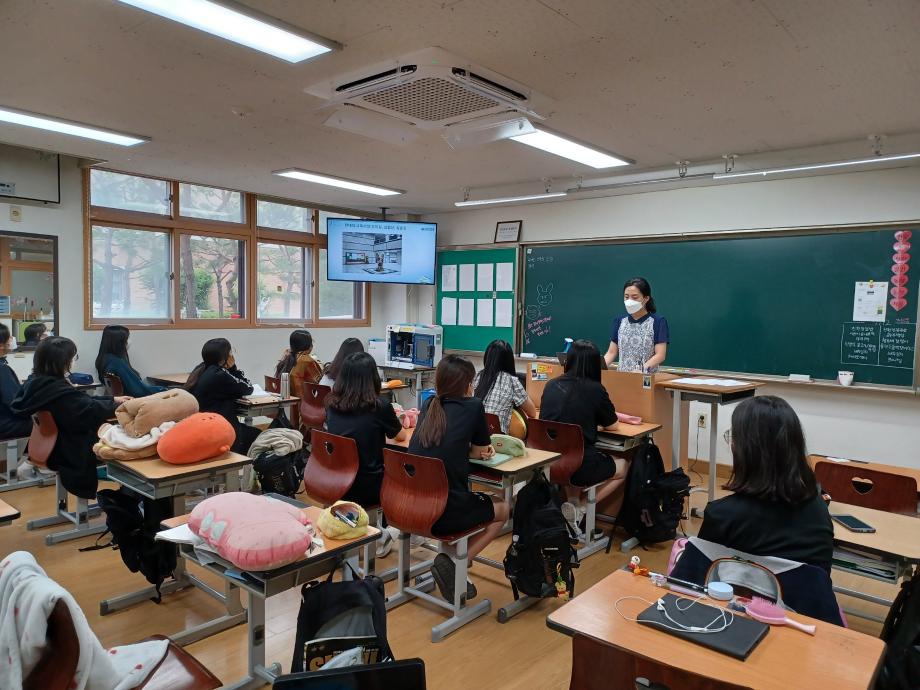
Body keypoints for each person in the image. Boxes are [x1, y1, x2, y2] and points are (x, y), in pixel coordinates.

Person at [408, 354, 509, 602]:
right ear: (466, 384)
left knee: (467, 498)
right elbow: (480, 449)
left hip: (411, 506)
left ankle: (450, 562)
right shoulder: (473, 406)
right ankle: (456, 565)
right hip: (444, 512)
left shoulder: (429, 405)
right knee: (504, 508)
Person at [697, 396, 834, 571]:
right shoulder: (819, 509)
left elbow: (693, 580)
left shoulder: (722, 516)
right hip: (808, 599)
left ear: (743, 450)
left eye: (734, 436)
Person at [10, 337, 130, 498]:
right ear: (62, 362)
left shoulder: (37, 383)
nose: (74, 361)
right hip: (70, 448)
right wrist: (124, 407)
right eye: (73, 357)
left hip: (53, 442)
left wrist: (112, 399)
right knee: (128, 438)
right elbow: (88, 409)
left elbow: (80, 401)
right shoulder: (56, 389)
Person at [539, 339, 626, 531]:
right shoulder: (595, 389)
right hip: (578, 465)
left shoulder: (551, 385)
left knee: (574, 452)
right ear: (597, 365)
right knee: (623, 466)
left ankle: (572, 505)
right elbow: (613, 425)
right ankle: (583, 509)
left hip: (548, 464)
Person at [325, 352, 406, 556]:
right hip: (367, 485)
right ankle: (391, 532)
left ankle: (373, 530)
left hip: (335, 479)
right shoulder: (379, 406)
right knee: (406, 479)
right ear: (373, 378)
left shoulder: (332, 404)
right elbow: (400, 436)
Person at [185, 338, 257, 454]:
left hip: (204, 428)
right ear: (224, 357)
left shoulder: (201, 368)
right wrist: (233, 368)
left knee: (250, 431)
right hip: (222, 432)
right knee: (260, 437)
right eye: (230, 352)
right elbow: (248, 388)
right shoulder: (219, 375)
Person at [604, 277, 669, 373]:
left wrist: (642, 369)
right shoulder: (619, 321)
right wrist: (595, 369)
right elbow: (612, 352)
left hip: (646, 378)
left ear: (646, 298)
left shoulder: (658, 321)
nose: (629, 301)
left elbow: (660, 355)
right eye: (626, 297)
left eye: (635, 297)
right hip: (622, 377)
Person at [472, 339, 536, 433]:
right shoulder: (512, 381)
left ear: (487, 357)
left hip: (472, 436)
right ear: (510, 361)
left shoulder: (476, 377)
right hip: (497, 441)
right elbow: (532, 413)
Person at [94, 325, 166, 398]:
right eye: (127, 338)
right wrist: (164, 389)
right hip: (135, 400)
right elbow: (138, 391)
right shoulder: (117, 363)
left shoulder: (106, 359)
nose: (129, 341)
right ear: (119, 341)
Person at [0, 323, 32, 439]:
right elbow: (16, 403)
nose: (12, 339)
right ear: (1, 345)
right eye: (9, 337)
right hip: (5, 424)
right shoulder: (2, 369)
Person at [275, 329, 322, 398]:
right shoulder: (307, 361)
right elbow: (320, 384)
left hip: (286, 401)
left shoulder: (287, 355)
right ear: (308, 345)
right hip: (304, 403)